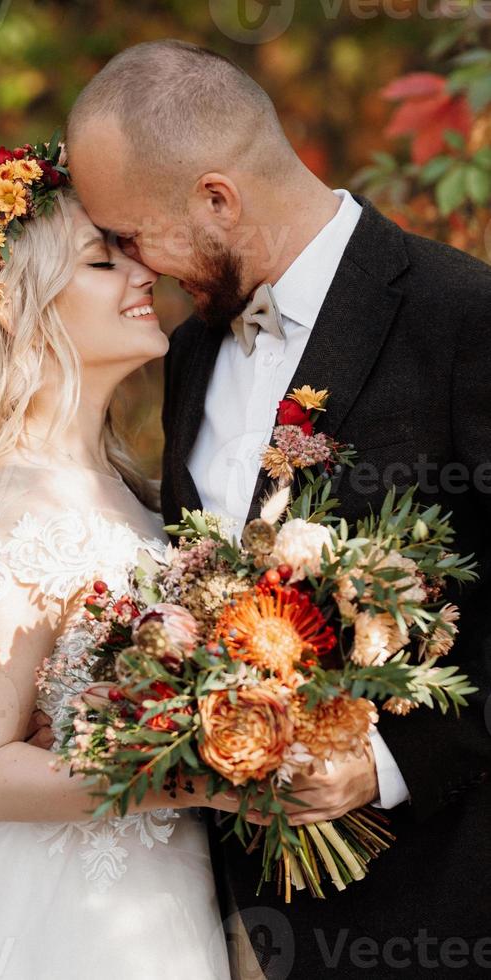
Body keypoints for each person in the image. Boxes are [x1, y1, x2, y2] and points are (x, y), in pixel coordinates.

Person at [62, 39, 491, 980]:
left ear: (218, 199)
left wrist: (385, 760)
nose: (133, 266)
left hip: (438, 913)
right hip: (219, 923)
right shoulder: (189, 359)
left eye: (131, 235)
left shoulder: (462, 321)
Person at [0, 149, 237, 978]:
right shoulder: (25, 508)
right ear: (26, 314)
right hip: (74, 923)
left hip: (165, 895)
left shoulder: (129, 487)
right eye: (103, 261)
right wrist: (205, 776)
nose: (142, 273)